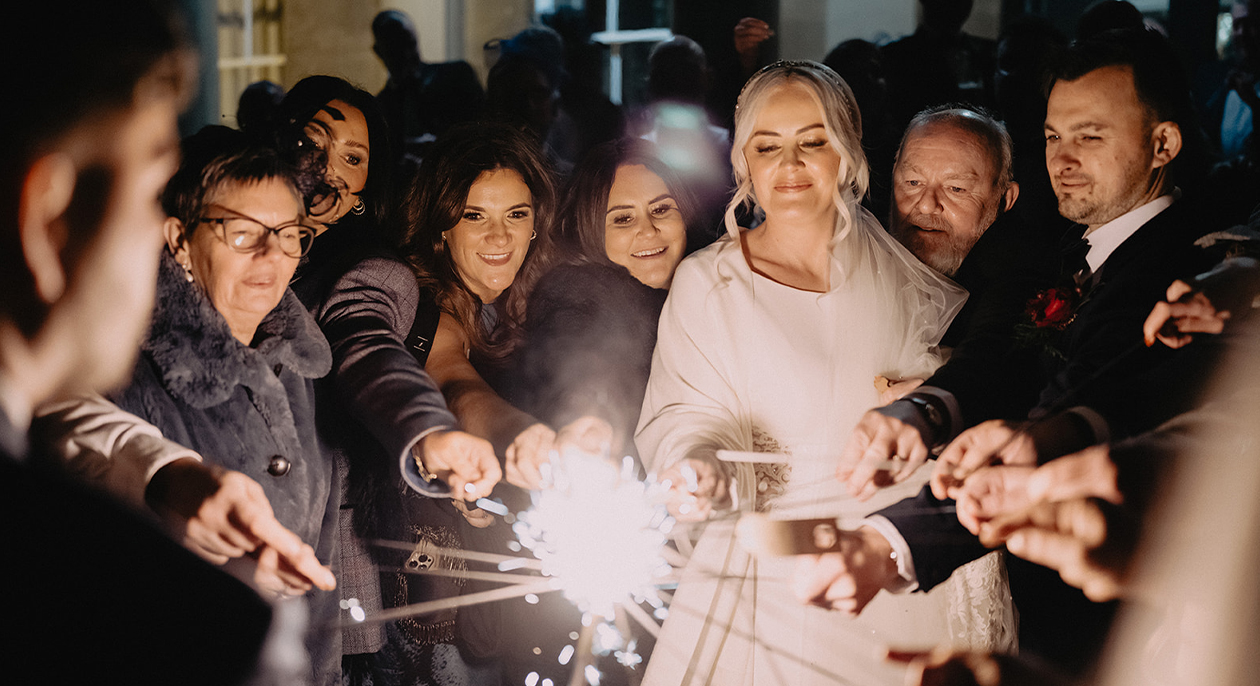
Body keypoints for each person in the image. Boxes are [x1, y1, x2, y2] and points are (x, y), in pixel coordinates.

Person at [800, 28, 1226, 675]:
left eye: (1090, 135)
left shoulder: (1188, 273)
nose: (1063, 158)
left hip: (1125, 621)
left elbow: (1071, 417)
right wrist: (927, 409)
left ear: (1163, 143)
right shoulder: (1064, 252)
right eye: (1054, 137)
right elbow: (999, 355)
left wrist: (890, 542)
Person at [635, 61, 1012, 686]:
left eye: (813, 142)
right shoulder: (709, 282)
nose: (790, 165)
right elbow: (683, 412)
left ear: (847, 153)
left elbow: (967, 397)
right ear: (744, 161)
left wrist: (938, 401)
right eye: (768, 146)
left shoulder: (904, 276)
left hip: (890, 560)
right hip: (768, 566)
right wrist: (698, 461)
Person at [0, 3, 286, 684]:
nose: (160, 234)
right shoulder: (168, 621)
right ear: (49, 220)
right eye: (154, 193)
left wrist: (165, 475)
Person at [275, 75, 502, 685]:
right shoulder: (240, 251)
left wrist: (427, 431)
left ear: (365, 190)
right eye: (313, 145)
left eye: (354, 158)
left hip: (326, 568)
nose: (330, 169)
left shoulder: (370, 269)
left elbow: (367, 347)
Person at [110, 126, 343, 684]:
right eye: (241, 232)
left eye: (288, 233)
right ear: (179, 239)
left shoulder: (300, 366)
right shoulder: (128, 377)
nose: (271, 253)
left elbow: (323, 568)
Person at [513, 138, 697, 468]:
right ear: (590, 228)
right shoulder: (577, 289)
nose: (648, 230)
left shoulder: (715, 282)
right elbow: (574, 348)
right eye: (623, 219)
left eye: (661, 209)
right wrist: (587, 413)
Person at [372, 9, 484, 153]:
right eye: (395, 49)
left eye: (410, 44)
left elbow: (482, 132)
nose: (406, 55)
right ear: (378, 51)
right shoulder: (379, 109)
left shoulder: (457, 76)